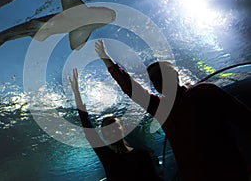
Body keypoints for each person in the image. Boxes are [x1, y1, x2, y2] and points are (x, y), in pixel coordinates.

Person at [95, 39, 251, 181]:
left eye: (161, 75)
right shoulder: (160, 107)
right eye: (154, 80)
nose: (158, 81)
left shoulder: (204, 91)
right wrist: (106, 59)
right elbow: (131, 88)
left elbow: (244, 118)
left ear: (175, 75)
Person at [69, 68, 164, 181]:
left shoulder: (143, 155)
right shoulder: (107, 156)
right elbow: (89, 130)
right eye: (107, 129)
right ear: (103, 135)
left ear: (123, 128)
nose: (112, 130)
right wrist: (76, 93)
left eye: (114, 125)